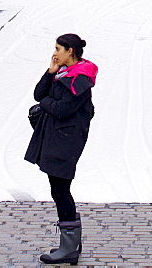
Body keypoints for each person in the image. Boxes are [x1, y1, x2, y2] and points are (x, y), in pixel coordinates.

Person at [24, 33, 97, 265]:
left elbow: (62, 109)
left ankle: (68, 248)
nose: (54, 53)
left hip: (66, 140)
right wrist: (51, 71)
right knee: (58, 188)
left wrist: (44, 104)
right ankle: (71, 243)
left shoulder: (80, 80)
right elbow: (39, 93)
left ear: (70, 51)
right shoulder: (63, 73)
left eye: (58, 49)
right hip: (57, 137)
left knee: (60, 190)